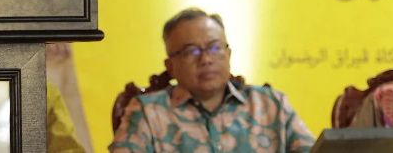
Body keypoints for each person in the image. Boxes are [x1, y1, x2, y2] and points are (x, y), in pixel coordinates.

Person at [110, 8, 315, 153]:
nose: (206, 59)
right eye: (191, 51)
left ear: (229, 55)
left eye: (215, 48)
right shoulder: (148, 111)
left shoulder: (272, 104)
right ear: (170, 66)